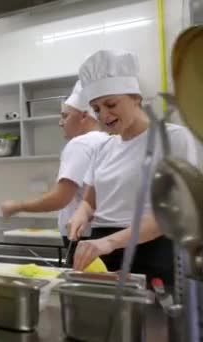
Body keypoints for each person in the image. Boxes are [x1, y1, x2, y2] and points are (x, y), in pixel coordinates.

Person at [67, 49, 199, 284]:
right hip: (99, 248)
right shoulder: (104, 147)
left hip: (149, 247)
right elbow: (90, 199)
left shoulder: (173, 139)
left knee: (148, 319)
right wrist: (81, 213)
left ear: (136, 97)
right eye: (96, 109)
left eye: (110, 104)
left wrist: (110, 242)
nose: (104, 115)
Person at [0, 81, 109, 263]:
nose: (60, 123)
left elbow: (60, 198)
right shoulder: (106, 140)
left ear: (83, 116)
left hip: (81, 236)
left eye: (65, 116)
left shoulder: (80, 144)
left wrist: (17, 206)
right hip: (102, 235)